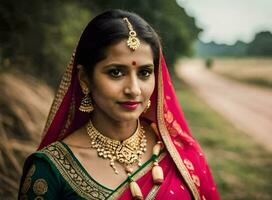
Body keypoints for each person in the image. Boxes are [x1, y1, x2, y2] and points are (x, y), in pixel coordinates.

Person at [18, 9, 220, 200]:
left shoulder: (177, 151)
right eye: (116, 72)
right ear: (84, 79)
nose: (134, 89)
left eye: (144, 73)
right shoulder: (50, 169)